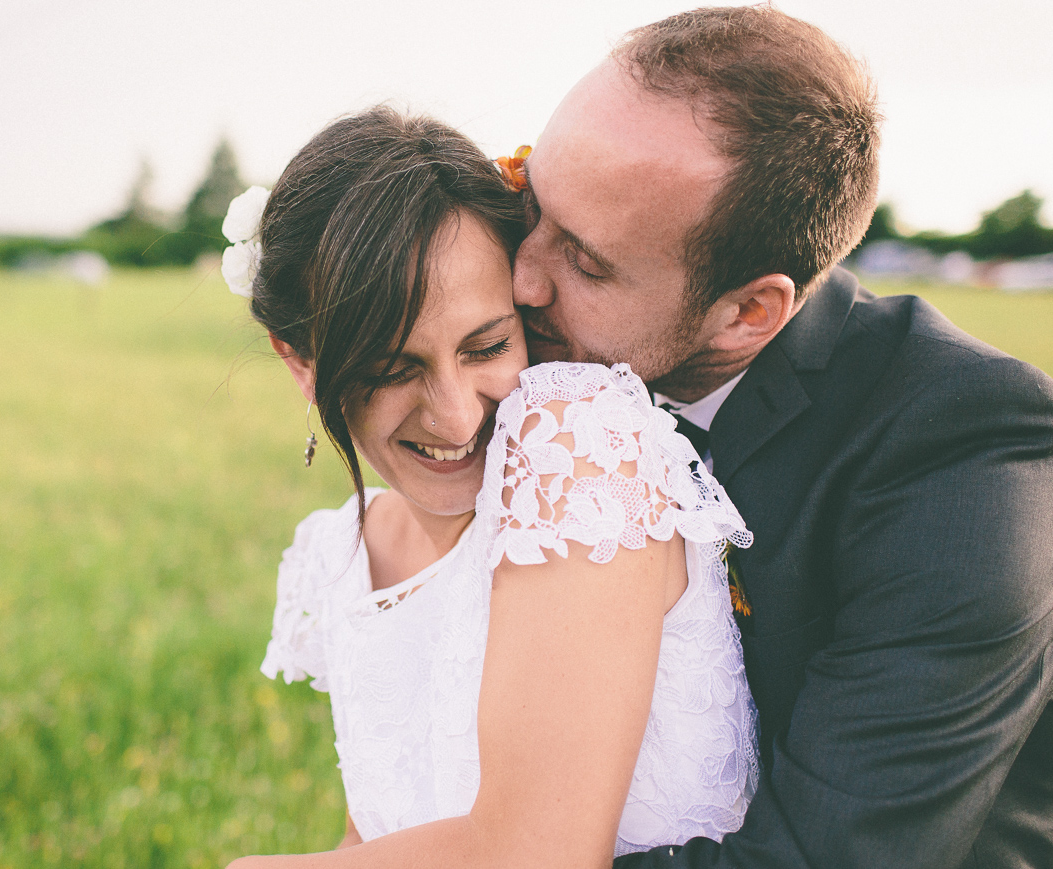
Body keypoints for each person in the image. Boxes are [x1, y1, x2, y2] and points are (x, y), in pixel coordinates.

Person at [510, 5, 1053, 867]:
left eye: (586, 262)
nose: (519, 279)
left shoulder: (970, 455)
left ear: (748, 313)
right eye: (528, 202)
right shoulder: (562, 379)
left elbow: (820, 857)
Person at [225, 106, 757, 867]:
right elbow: (370, 840)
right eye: (390, 369)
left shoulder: (581, 453)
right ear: (300, 362)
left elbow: (539, 854)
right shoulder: (340, 553)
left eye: (487, 345)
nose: (454, 413)